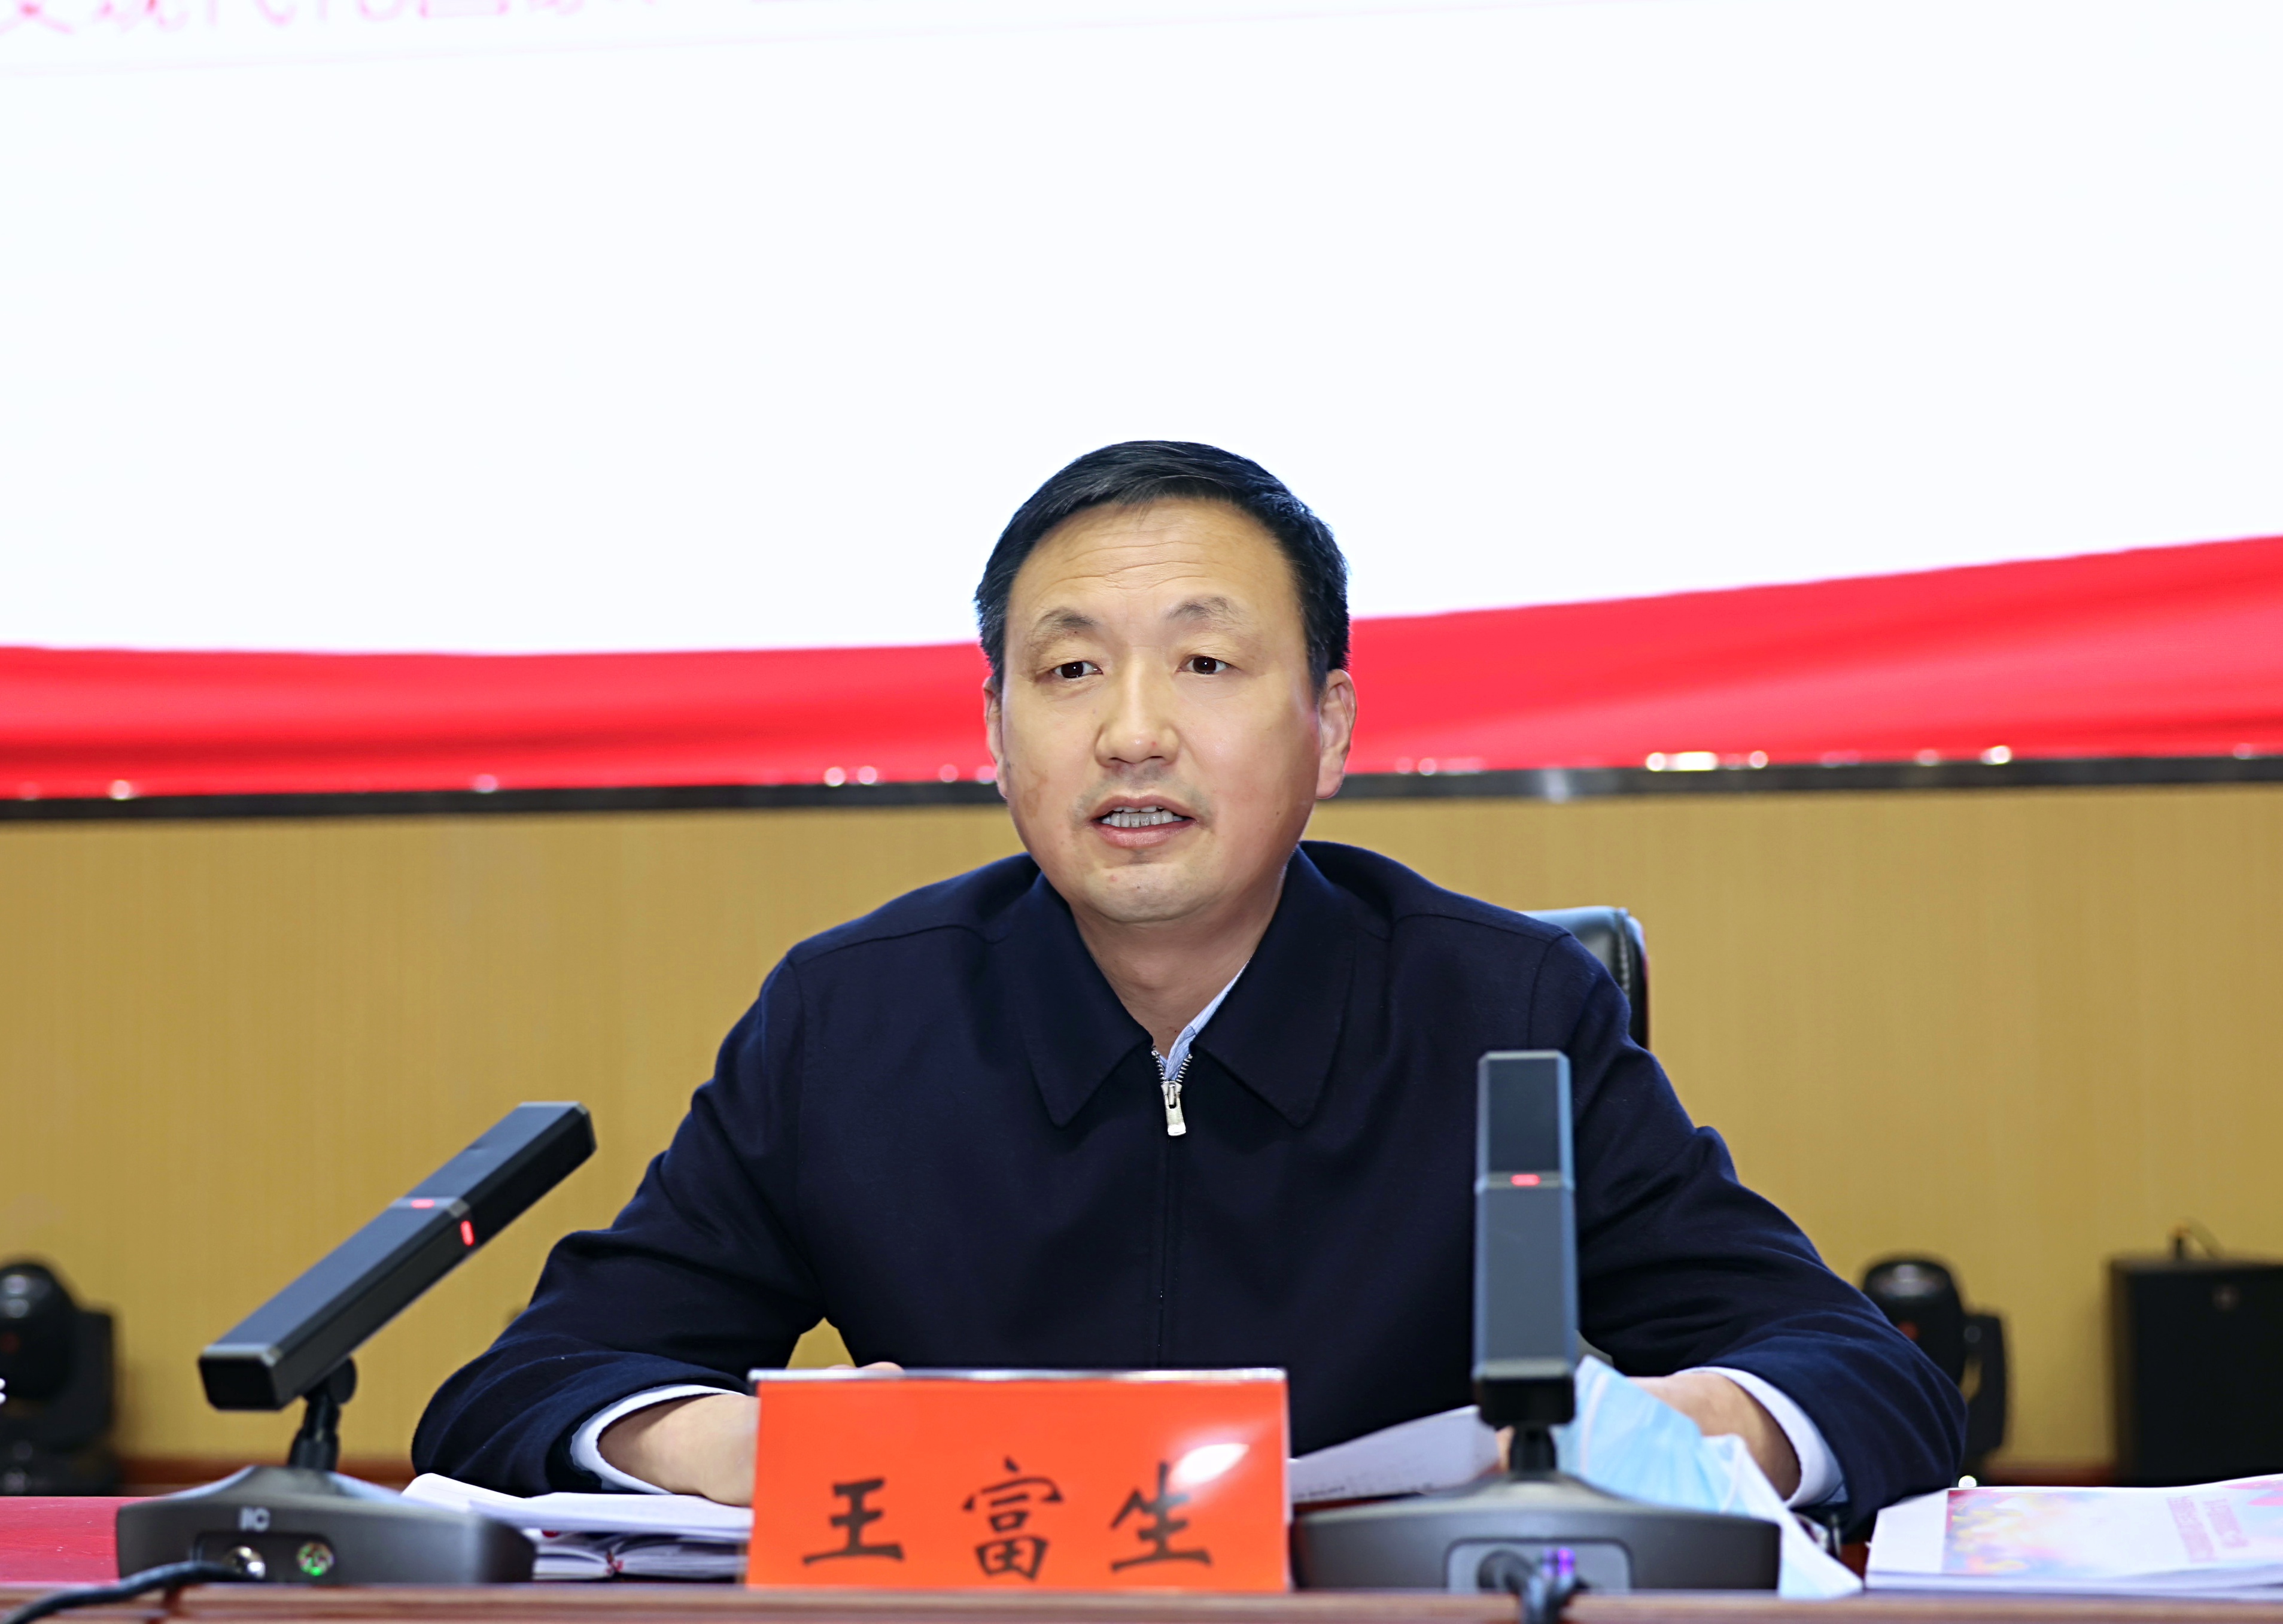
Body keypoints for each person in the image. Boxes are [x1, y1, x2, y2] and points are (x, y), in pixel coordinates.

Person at [413, 441, 1963, 1523]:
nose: (1134, 731)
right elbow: (525, 1388)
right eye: (1069, 671)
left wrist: (1691, 1427)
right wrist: (735, 1446)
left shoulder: (1509, 1013)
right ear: (996, 734)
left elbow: (1863, 1380)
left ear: (1331, 728)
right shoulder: (851, 1025)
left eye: (1206, 665)